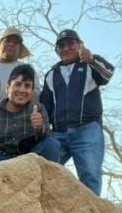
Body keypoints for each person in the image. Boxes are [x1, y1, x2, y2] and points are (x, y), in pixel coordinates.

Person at [40, 29, 114, 196]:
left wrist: (92, 59)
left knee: (90, 174)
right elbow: (45, 107)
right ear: (57, 50)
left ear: (80, 45)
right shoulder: (51, 75)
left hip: (87, 130)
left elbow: (108, 74)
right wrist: (45, 131)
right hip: (58, 133)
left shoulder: (90, 65)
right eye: (61, 45)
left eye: (71, 44)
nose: (66, 48)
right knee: (44, 169)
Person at [0, 64, 62, 164]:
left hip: (29, 160)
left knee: (52, 144)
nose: (22, 90)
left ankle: (47, 179)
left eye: (27, 86)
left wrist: (39, 129)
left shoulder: (38, 109)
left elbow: (49, 144)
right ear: (7, 88)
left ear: (32, 93)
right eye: (18, 84)